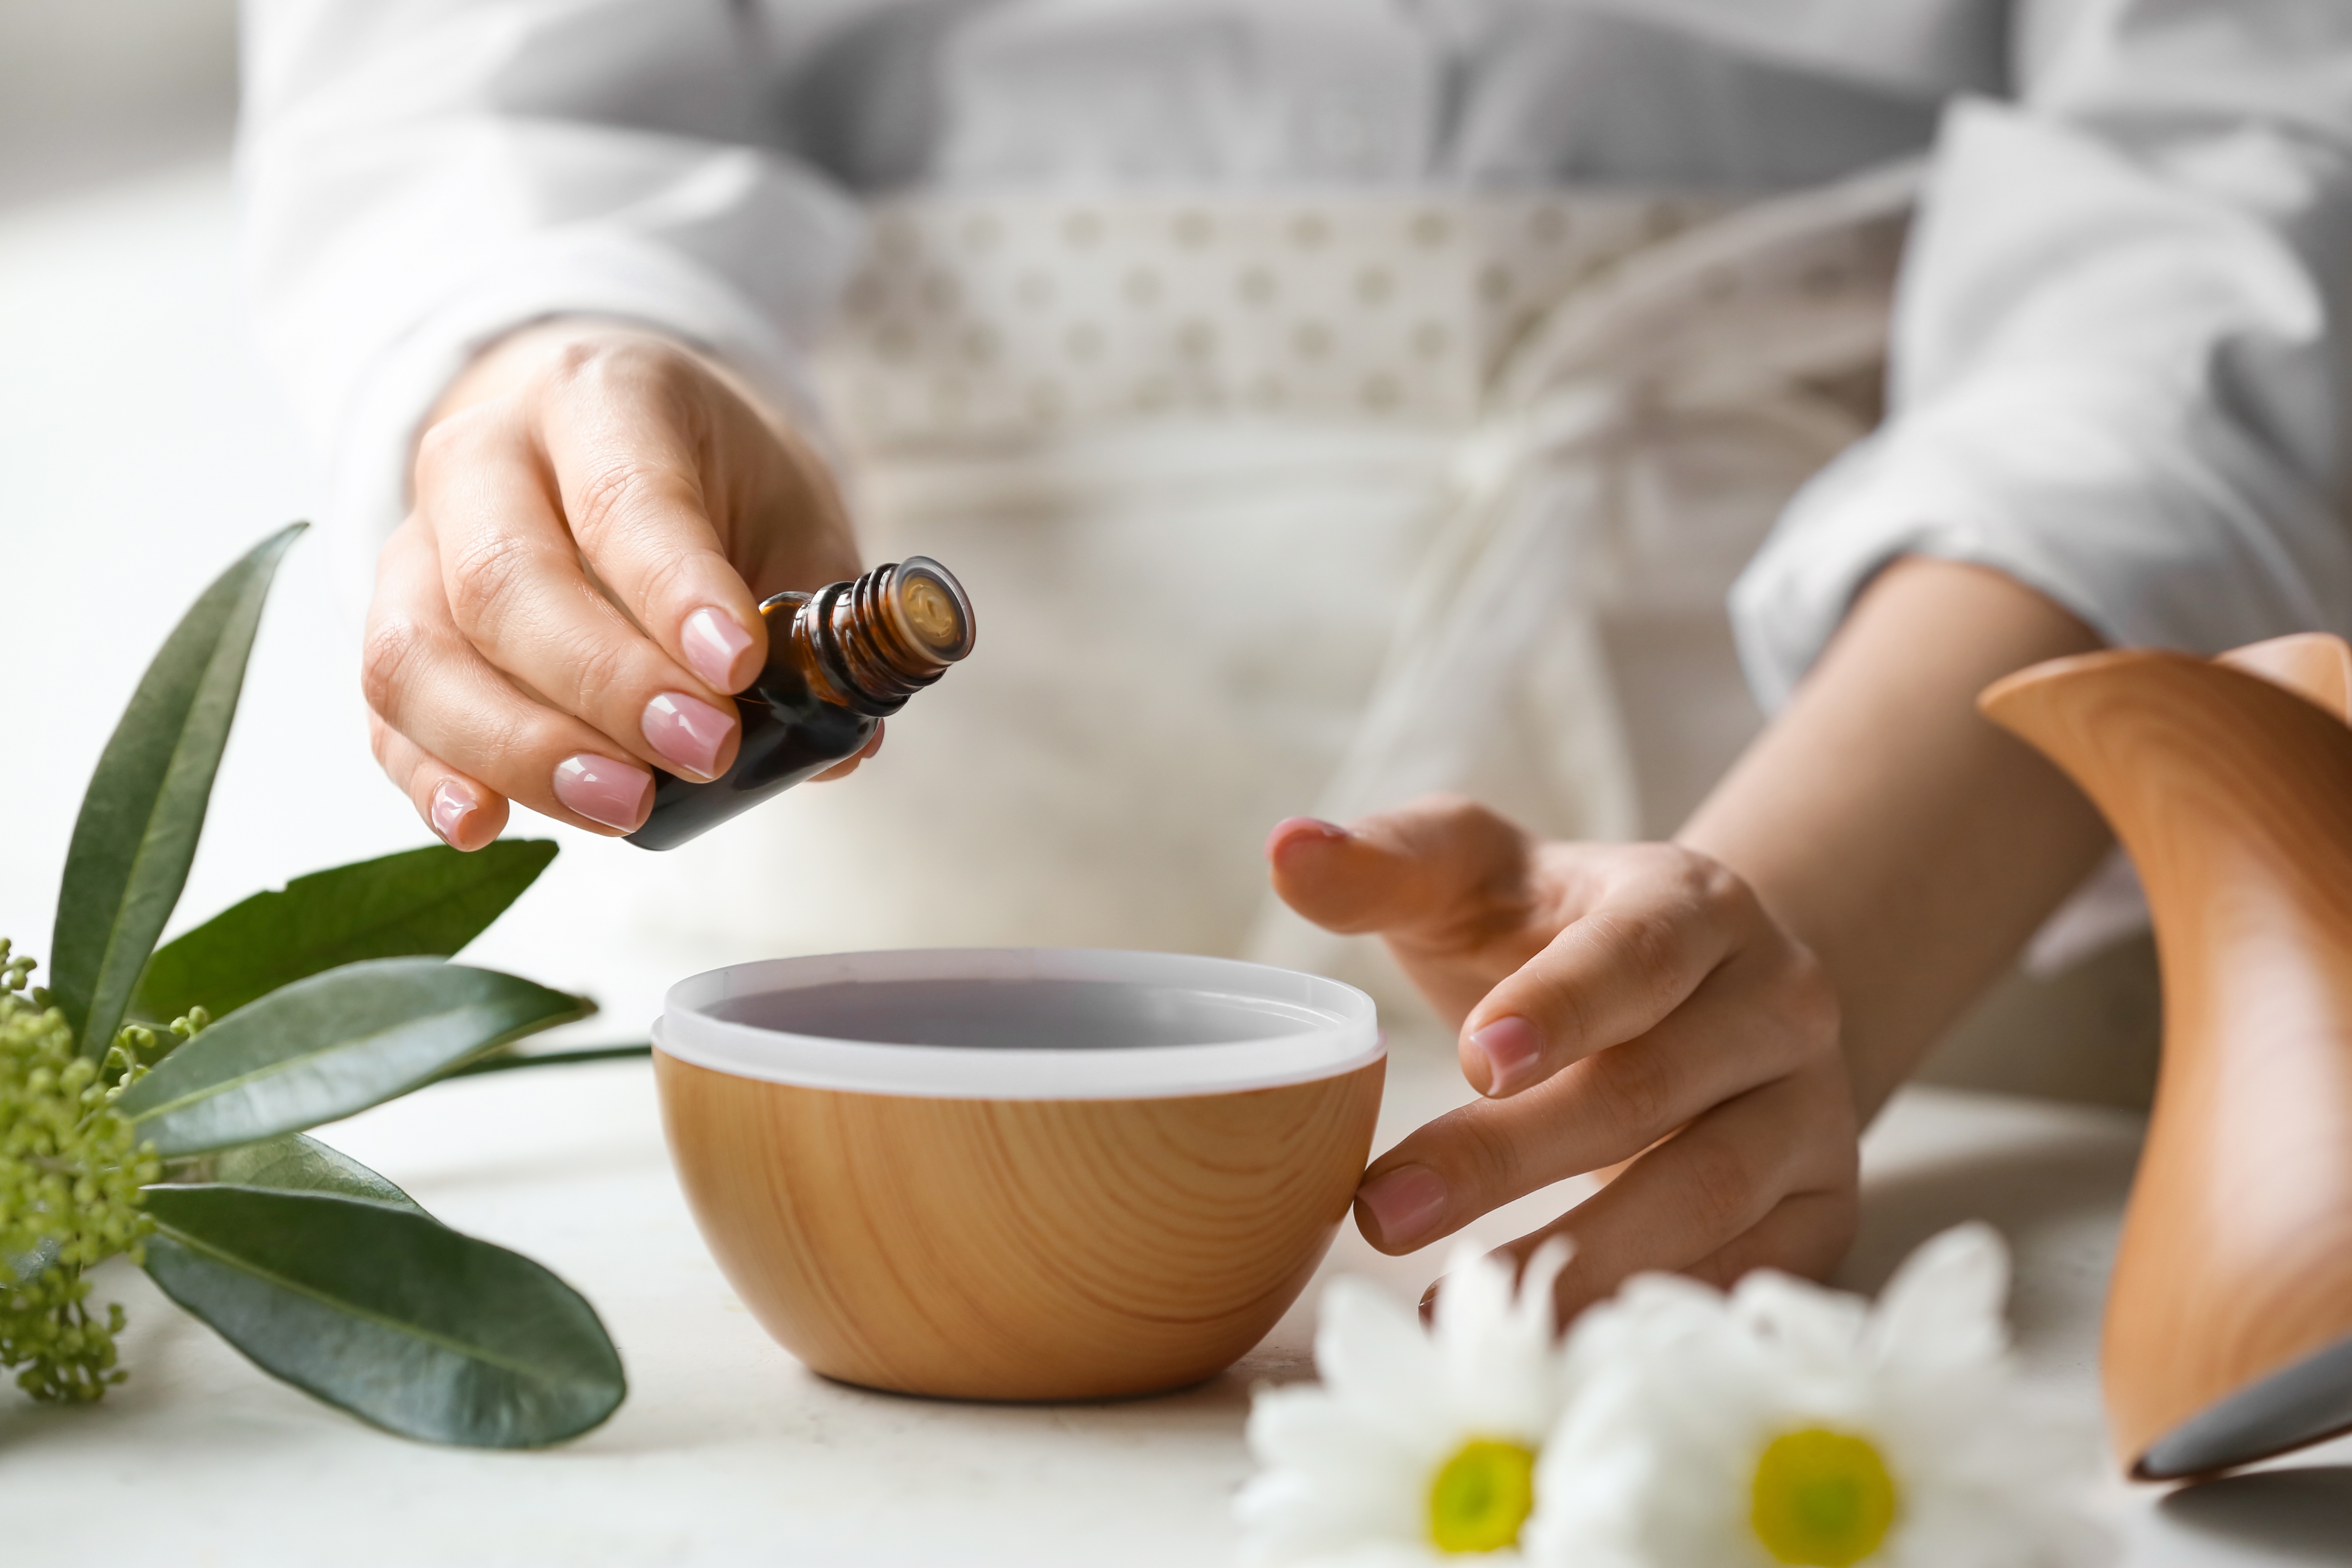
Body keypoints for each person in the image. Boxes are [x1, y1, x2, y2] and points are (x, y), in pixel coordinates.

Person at [239, 0, 2352, 1315]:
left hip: (1895, 917)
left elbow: (2244, 174)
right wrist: (549, 369)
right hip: (900, 909)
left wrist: (1797, 953)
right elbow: (462, 86)